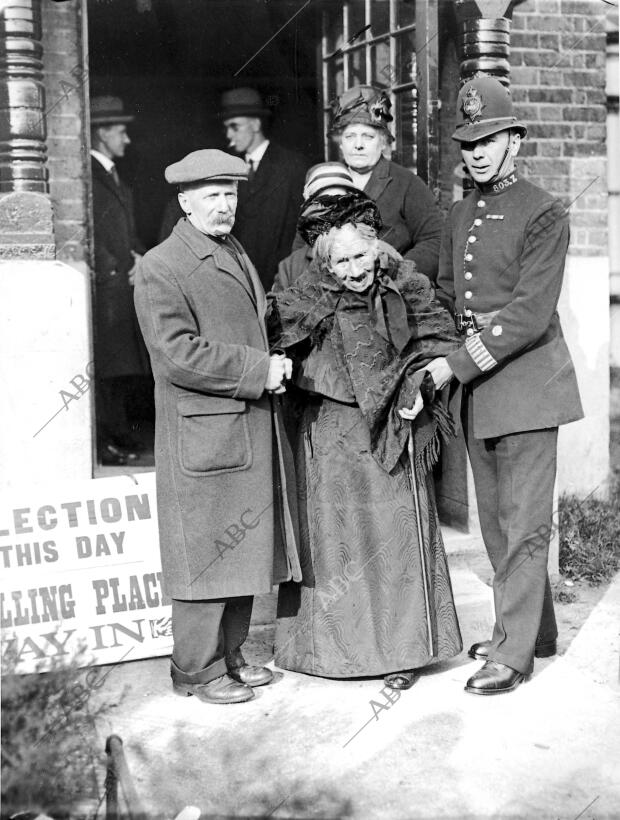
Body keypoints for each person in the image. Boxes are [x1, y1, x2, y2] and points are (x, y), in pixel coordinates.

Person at [270, 191, 462, 687]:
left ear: (377, 248)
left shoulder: (405, 285)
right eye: (341, 260)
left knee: (390, 537)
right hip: (332, 433)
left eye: (361, 256)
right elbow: (275, 338)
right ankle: (330, 652)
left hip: (395, 424)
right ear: (323, 261)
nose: (354, 270)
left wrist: (421, 385)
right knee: (338, 539)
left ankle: (402, 652)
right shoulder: (307, 296)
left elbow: (436, 343)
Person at [432, 76, 584, 695]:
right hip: (479, 391)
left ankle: (512, 653)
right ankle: (532, 631)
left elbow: (527, 312)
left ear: (514, 140)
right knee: (496, 522)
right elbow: (446, 292)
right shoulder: (460, 211)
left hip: (525, 385)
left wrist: (457, 364)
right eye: (468, 141)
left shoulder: (544, 211)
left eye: (489, 139)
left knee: (522, 523)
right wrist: (438, 353)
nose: (476, 151)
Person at [134, 149, 301, 705]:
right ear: (185, 202)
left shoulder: (228, 249)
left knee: (241, 552)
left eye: (230, 194)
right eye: (212, 196)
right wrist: (259, 369)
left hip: (239, 427)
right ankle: (196, 671)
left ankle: (230, 658)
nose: (225, 205)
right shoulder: (162, 266)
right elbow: (176, 355)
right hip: (204, 436)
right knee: (205, 558)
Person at [158, 88, 306, 292]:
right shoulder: (224, 167)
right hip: (238, 280)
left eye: (235, 127)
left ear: (255, 124)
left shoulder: (291, 166)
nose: (229, 135)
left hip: (278, 281)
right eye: (227, 128)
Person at [329, 84, 443, 282]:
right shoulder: (326, 183)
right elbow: (303, 245)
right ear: (340, 143)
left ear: (383, 142)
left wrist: (398, 276)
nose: (358, 145)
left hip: (387, 297)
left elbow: (435, 239)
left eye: (368, 136)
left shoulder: (407, 184)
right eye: (350, 136)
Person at [90, 95, 150, 465]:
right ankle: (108, 442)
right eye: (121, 132)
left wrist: (140, 257)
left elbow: (127, 233)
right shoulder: (88, 176)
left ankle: (117, 437)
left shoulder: (113, 175)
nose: (126, 139)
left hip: (122, 287)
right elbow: (87, 232)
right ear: (102, 133)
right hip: (108, 290)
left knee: (123, 368)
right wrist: (114, 268)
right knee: (109, 370)